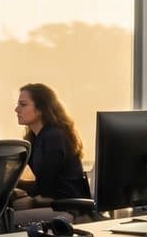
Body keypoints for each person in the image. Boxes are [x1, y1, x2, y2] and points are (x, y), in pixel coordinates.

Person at [12, 83, 91, 217]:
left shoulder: (54, 137)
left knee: (7, 221)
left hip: (67, 206)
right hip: (54, 201)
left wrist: (13, 186)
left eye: (23, 104)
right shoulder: (34, 138)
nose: (16, 109)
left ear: (40, 109)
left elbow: (45, 189)